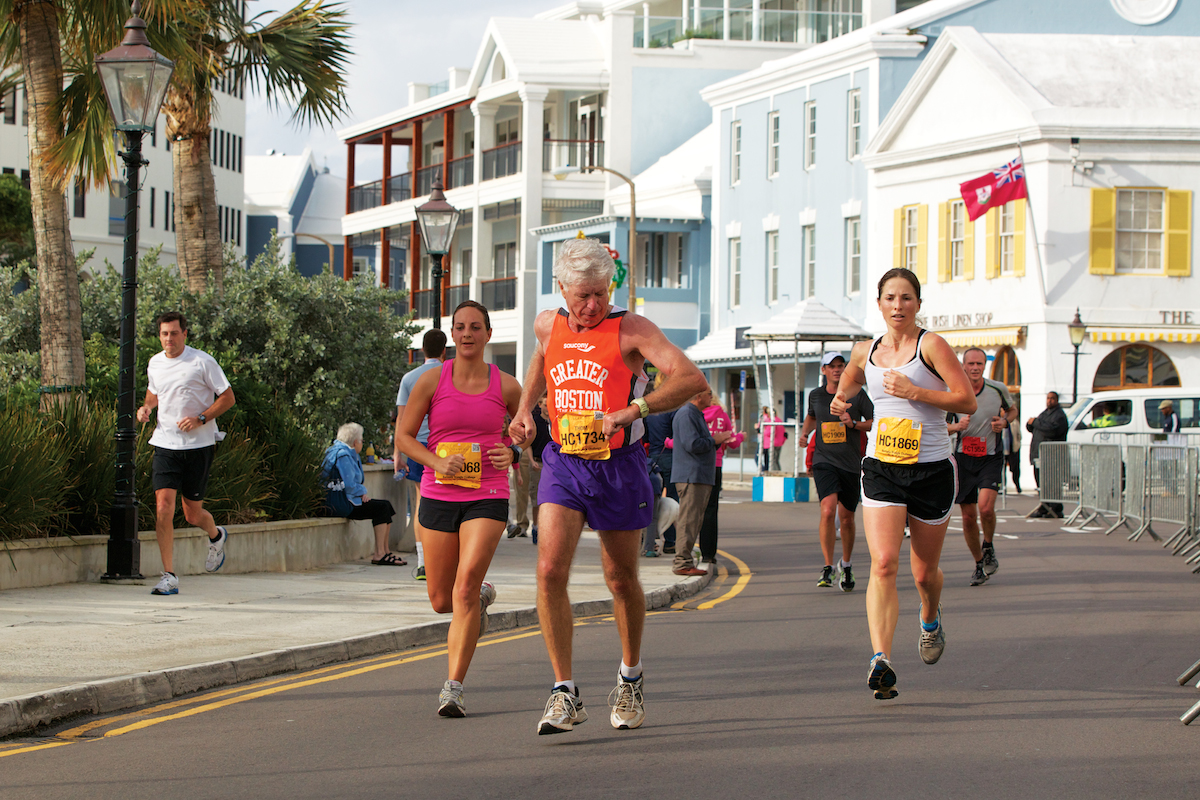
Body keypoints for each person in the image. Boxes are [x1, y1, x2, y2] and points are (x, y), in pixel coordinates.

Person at [508, 237, 707, 735]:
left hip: (619, 464)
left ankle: (630, 675)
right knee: (550, 568)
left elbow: (690, 378)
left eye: (600, 293)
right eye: (582, 296)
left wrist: (633, 410)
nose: (592, 305)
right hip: (565, 462)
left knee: (620, 579)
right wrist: (525, 411)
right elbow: (540, 358)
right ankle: (564, 691)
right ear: (561, 289)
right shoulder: (547, 323)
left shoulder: (631, 329)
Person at [831, 268, 976, 700]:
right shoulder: (865, 350)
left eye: (907, 298)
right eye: (891, 298)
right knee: (883, 564)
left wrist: (916, 391)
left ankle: (930, 618)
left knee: (923, 573)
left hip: (931, 469)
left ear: (917, 303)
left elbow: (965, 399)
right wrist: (841, 398)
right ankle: (881, 659)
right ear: (878, 303)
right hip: (881, 466)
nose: (898, 306)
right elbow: (854, 379)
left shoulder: (931, 346)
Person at [396, 301, 522, 717]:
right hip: (438, 493)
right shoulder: (432, 381)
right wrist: (435, 462)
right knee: (440, 599)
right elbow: (404, 436)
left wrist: (515, 451)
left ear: (488, 333)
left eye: (475, 327)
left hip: (486, 493)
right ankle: (480, 600)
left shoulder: (506, 386)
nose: (467, 334)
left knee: (464, 585)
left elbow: (532, 426)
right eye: (460, 327)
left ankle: (453, 687)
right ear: (453, 334)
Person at [136, 311, 236, 596]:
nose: (169, 338)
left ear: (185, 334)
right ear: (160, 336)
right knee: (163, 507)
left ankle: (216, 535)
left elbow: (228, 397)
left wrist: (201, 419)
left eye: (175, 333)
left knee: (192, 514)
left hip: (198, 446)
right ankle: (169, 575)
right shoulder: (155, 362)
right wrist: (147, 408)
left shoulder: (202, 361)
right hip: (165, 444)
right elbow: (154, 392)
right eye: (165, 333)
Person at [802, 351, 873, 592]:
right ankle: (827, 566)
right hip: (824, 460)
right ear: (823, 370)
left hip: (851, 462)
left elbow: (876, 421)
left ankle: (847, 563)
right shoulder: (816, 395)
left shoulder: (857, 394)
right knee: (827, 509)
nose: (837, 370)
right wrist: (804, 434)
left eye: (841, 366)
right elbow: (812, 417)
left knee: (846, 518)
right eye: (831, 366)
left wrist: (853, 424)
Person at [945, 348, 1016, 586]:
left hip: (991, 456)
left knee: (985, 509)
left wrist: (1005, 421)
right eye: (971, 364)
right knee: (967, 517)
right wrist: (957, 427)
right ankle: (978, 563)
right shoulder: (953, 392)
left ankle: (988, 545)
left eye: (980, 364)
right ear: (963, 366)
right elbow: (939, 425)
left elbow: (1012, 409)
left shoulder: (998, 389)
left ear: (984, 366)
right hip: (964, 458)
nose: (975, 368)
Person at [394, 329, 448, 580]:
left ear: (421, 351)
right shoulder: (450, 374)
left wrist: (397, 454)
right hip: (445, 446)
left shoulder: (409, 378)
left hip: (416, 445)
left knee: (420, 501)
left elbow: (401, 420)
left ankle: (423, 562)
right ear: (444, 351)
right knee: (448, 501)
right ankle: (445, 559)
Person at [322, 423, 405, 566]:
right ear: (355, 442)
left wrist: (360, 494)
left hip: (344, 500)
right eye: (361, 440)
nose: (362, 443)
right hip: (342, 503)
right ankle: (380, 553)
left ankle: (385, 551)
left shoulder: (337, 451)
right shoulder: (344, 455)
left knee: (386, 506)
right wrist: (362, 493)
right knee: (381, 508)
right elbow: (349, 484)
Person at [672, 389, 730, 576]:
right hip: (691, 475)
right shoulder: (687, 414)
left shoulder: (695, 414)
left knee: (694, 520)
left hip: (699, 475)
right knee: (688, 520)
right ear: (698, 396)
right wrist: (715, 439)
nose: (711, 396)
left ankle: (686, 559)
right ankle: (682, 562)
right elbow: (692, 444)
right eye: (708, 393)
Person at [698, 387, 743, 570]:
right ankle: (709, 553)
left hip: (698, 465)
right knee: (711, 510)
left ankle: (689, 549)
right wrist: (741, 436)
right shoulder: (722, 416)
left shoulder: (696, 414)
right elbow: (732, 442)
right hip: (715, 465)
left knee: (693, 510)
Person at [645, 372, 679, 555]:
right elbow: (677, 434)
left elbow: (645, 436)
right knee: (673, 499)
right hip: (671, 456)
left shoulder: (650, 408)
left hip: (653, 459)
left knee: (653, 502)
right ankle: (671, 542)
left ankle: (650, 540)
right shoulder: (672, 408)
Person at [1027, 392, 1069, 518]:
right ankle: (1044, 506)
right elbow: (1036, 427)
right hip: (1039, 453)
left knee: (1052, 482)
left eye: (1052, 399)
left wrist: (1035, 422)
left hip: (1052, 455)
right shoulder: (1045, 413)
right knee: (1041, 482)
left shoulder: (1059, 415)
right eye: (1048, 398)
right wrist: (1030, 424)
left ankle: (1056, 508)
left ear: (1056, 400)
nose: (1049, 401)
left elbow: (1052, 430)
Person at [757, 405, 785, 472]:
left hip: (772, 443)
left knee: (772, 460)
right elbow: (784, 433)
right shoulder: (779, 420)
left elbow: (770, 432)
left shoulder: (772, 421)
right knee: (776, 460)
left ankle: (776, 473)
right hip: (779, 443)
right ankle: (778, 472)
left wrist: (763, 430)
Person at [1003, 410, 1022, 494]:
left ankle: (1017, 485)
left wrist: (1017, 446)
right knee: (1001, 470)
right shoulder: (999, 421)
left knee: (1015, 469)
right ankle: (1003, 487)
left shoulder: (1014, 422)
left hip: (1013, 449)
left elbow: (1019, 435)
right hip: (1003, 450)